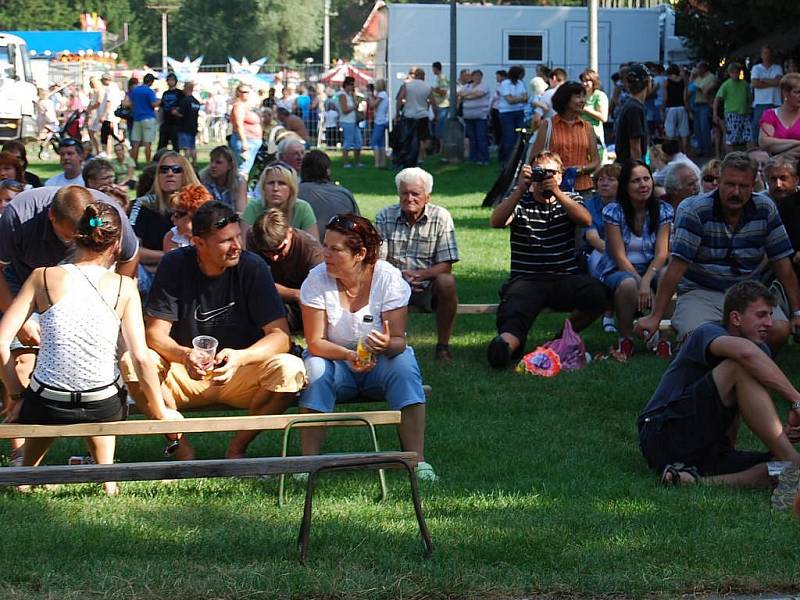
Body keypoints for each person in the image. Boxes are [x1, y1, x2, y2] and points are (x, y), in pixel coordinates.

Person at [0, 201, 182, 495]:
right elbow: (140, 357)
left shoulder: (42, 276)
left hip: (46, 402)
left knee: (44, 403)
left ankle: (25, 474)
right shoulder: (125, 286)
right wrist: (160, 412)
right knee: (101, 396)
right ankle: (107, 479)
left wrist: (17, 396)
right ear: (117, 243)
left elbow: (0, 343)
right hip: (102, 404)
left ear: (76, 234)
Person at [120, 201, 306, 460]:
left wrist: (240, 357)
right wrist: (186, 356)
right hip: (183, 374)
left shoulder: (252, 267)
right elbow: (155, 334)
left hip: (239, 373)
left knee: (290, 368)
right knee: (133, 363)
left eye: (238, 237)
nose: (237, 246)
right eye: (226, 241)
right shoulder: (175, 264)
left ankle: (237, 448)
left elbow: (280, 336)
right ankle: (182, 450)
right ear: (198, 243)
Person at [0, 185, 139, 465]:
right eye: (69, 235)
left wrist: (116, 298)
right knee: (24, 360)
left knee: (92, 369)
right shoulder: (17, 215)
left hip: (90, 284)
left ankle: (96, 463)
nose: (76, 242)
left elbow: (130, 255)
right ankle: (20, 454)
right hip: (23, 284)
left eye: (82, 236)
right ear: (51, 217)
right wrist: (22, 319)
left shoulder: (108, 214)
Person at [297, 213, 436, 481]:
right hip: (335, 363)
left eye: (334, 249)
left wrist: (386, 344)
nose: (324, 253)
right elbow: (314, 342)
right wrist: (350, 355)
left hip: (380, 363)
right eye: (324, 245)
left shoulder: (388, 278)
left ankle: (417, 461)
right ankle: (307, 463)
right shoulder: (316, 279)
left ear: (360, 253)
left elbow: (398, 341)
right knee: (314, 367)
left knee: (405, 363)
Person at [638, 281, 800, 487]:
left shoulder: (760, 351)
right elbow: (744, 354)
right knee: (739, 365)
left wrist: (778, 435)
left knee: (777, 466)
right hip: (661, 434)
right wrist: (796, 400)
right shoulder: (707, 332)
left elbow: (737, 404)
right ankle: (794, 461)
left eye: (770, 314)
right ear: (735, 318)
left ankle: (694, 481)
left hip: (704, 445)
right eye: (761, 315)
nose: (770, 322)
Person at [635, 152, 800, 352]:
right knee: (696, 337)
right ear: (719, 181)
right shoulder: (695, 210)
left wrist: (797, 312)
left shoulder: (765, 208)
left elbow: (782, 264)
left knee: (779, 330)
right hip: (701, 290)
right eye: (730, 184)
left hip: (747, 291)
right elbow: (676, 268)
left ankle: (737, 362)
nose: (736, 192)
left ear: (754, 184)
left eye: (743, 186)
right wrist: (656, 316)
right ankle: (740, 362)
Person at [487, 151, 606, 368]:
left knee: (597, 294)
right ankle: (504, 347)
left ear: (561, 176)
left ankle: (557, 341)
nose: (544, 178)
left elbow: (585, 219)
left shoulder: (571, 198)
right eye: (540, 172)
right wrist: (520, 188)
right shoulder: (520, 199)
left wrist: (557, 193)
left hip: (564, 277)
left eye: (551, 173)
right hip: (527, 279)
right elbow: (496, 221)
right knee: (514, 312)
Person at [376, 167, 459, 362]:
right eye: (404, 193)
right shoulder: (385, 216)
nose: (409, 198)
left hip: (428, 286)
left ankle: (443, 347)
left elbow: (446, 264)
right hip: (392, 285)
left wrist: (420, 275)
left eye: (416, 194)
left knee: (447, 282)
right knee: (373, 278)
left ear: (427, 197)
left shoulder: (441, 217)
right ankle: (382, 344)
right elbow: (378, 261)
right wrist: (399, 278)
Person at [597, 160, 673, 356]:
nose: (643, 185)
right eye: (636, 181)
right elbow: (619, 256)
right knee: (629, 284)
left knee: (668, 275)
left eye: (647, 179)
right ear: (625, 186)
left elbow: (662, 253)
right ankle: (625, 339)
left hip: (651, 267)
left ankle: (664, 340)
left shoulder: (663, 210)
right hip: (619, 269)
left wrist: (647, 281)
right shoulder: (613, 211)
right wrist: (641, 284)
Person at [129, 152, 201, 284]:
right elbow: (131, 250)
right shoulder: (143, 205)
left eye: (176, 169)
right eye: (164, 170)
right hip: (148, 275)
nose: (169, 173)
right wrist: (169, 257)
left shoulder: (200, 206)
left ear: (186, 174)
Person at [248, 208, 323, 333]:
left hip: (300, 306)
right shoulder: (254, 237)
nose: (274, 257)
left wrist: (299, 296)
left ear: (290, 232)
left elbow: (316, 295)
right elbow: (253, 281)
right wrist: (296, 294)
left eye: (279, 250)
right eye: (267, 252)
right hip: (266, 297)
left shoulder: (311, 251)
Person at [531, 80, 600, 197]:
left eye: (584, 96)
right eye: (578, 97)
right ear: (565, 99)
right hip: (553, 189)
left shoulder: (587, 127)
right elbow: (534, 159)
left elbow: (596, 161)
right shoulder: (548, 125)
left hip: (583, 189)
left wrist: (580, 169)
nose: (583, 100)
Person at [242, 162, 318, 241]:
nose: (275, 188)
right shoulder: (253, 208)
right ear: (263, 188)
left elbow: (314, 247)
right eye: (271, 183)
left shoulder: (303, 208)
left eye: (282, 183)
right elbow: (244, 245)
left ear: (291, 189)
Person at [298, 150, 360, 241]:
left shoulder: (294, 193)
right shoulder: (345, 194)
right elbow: (359, 227)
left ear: (302, 170)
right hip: (341, 248)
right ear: (327, 171)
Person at [396, 68, 435, 164]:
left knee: (409, 138)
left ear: (414, 75)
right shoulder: (427, 87)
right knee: (422, 138)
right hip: (423, 115)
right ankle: (420, 158)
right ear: (423, 76)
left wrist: (397, 112)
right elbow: (433, 102)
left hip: (409, 115)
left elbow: (399, 98)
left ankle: (410, 157)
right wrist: (436, 115)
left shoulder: (407, 85)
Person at [614, 64, 651, 164]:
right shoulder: (634, 109)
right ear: (648, 82)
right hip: (629, 166)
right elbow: (635, 148)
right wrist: (639, 171)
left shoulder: (631, 105)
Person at [758, 73, 800, 158]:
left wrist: (780, 156)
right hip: (777, 168)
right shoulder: (771, 114)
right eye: (797, 92)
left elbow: (771, 144)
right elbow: (764, 143)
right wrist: (797, 143)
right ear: (785, 93)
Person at [714, 62, 751, 153]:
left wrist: (749, 108)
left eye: (737, 72)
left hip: (744, 114)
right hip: (731, 114)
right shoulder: (726, 85)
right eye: (733, 72)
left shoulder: (745, 84)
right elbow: (717, 99)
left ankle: (750, 157)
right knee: (730, 138)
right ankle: (730, 157)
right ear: (729, 73)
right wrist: (715, 114)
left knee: (749, 136)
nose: (735, 74)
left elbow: (749, 98)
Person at [163, 184, 212, 252]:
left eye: (177, 215)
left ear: (195, 216)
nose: (172, 218)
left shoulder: (215, 236)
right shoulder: (171, 237)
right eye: (172, 213)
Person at [229, 84, 263, 181]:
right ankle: (240, 192)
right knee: (242, 170)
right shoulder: (238, 106)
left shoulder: (247, 106)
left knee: (245, 170)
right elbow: (239, 124)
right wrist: (244, 142)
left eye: (248, 92)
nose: (246, 94)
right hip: (245, 141)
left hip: (252, 140)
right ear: (238, 93)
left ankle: (241, 191)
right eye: (243, 92)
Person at [199, 145, 247, 213]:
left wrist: (224, 222)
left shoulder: (239, 181)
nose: (213, 165)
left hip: (232, 220)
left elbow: (241, 211)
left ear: (230, 165)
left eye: (218, 162)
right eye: (211, 161)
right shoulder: (203, 179)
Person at [751, 46, 784, 143]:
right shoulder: (756, 68)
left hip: (775, 102)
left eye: (769, 53)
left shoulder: (777, 67)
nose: (767, 55)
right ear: (761, 55)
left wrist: (763, 80)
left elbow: (779, 82)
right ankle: (757, 150)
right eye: (765, 53)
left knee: (776, 128)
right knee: (757, 127)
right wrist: (772, 82)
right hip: (760, 103)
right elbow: (754, 84)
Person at [497, 65, 528, 165]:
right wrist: (520, 99)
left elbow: (525, 97)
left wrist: (516, 99)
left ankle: (518, 159)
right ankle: (507, 161)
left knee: (519, 136)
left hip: (519, 112)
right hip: (506, 114)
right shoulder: (505, 84)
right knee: (509, 138)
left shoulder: (521, 83)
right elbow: (509, 100)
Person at [459, 70, 491, 165]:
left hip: (481, 116)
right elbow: (460, 94)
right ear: (472, 77)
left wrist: (467, 96)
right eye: (475, 76)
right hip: (468, 116)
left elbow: (479, 94)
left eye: (479, 76)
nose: (477, 78)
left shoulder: (484, 86)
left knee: (481, 137)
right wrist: (471, 94)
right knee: (472, 138)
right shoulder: (467, 86)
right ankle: (473, 158)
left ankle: (484, 158)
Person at [579, 68, 609, 162]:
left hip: (595, 135)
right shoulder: (580, 96)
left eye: (587, 81)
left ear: (594, 81)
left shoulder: (599, 95)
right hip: (580, 134)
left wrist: (585, 109)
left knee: (597, 162)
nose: (584, 83)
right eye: (583, 81)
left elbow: (603, 117)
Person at [130, 73, 160, 164]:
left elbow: (130, 102)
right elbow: (153, 104)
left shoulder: (135, 90)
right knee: (148, 143)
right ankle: (148, 163)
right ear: (151, 82)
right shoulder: (149, 91)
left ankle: (134, 162)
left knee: (136, 143)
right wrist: (160, 101)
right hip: (148, 117)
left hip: (137, 118)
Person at [661, 64, 690, 155]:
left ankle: (671, 154)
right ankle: (685, 153)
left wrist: (662, 108)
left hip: (670, 108)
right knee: (684, 133)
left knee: (670, 133)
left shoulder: (667, 82)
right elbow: (685, 97)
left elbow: (665, 97)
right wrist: (688, 109)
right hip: (681, 107)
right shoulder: (683, 81)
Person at [691, 61, 717, 157]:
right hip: (696, 104)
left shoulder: (711, 77)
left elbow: (706, 91)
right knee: (697, 129)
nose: (697, 70)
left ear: (703, 68)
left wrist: (697, 87)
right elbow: (689, 88)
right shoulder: (697, 78)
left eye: (698, 68)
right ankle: (700, 148)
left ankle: (707, 150)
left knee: (704, 128)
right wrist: (691, 78)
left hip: (705, 104)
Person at [337, 76, 364, 168]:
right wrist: (354, 106)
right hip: (347, 121)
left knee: (358, 141)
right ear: (347, 85)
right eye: (352, 84)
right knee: (348, 142)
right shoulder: (342, 95)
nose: (353, 86)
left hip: (354, 121)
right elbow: (344, 109)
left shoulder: (350, 95)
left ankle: (358, 162)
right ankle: (345, 162)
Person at [96, 72, 123, 157]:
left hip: (110, 117)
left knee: (113, 135)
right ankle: (108, 153)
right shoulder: (113, 87)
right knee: (108, 136)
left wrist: (104, 114)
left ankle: (124, 148)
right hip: (110, 116)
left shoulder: (111, 88)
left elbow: (109, 102)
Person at [176, 80, 202, 165]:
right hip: (193, 127)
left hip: (184, 127)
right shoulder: (196, 102)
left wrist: (174, 112)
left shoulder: (185, 101)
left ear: (186, 88)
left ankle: (186, 164)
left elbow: (181, 114)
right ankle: (195, 163)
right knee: (192, 147)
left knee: (186, 148)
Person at [157, 73, 183, 151]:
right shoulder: (165, 93)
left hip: (176, 122)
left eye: (172, 80)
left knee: (175, 144)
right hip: (165, 122)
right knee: (162, 145)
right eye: (168, 80)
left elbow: (182, 106)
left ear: (175, 81)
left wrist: (177, 111)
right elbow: (161, 107)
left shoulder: (180, 93)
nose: (170, 82)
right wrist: (160, 120)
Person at [367, 79, 390, 168]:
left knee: (375, 142)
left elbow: (373, 105)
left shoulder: (382, 94)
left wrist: (369, 96)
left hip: (379, 121)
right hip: (383, 120)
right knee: (381, 143)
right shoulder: (385, 94)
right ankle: (382, 163)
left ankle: (377, 163)